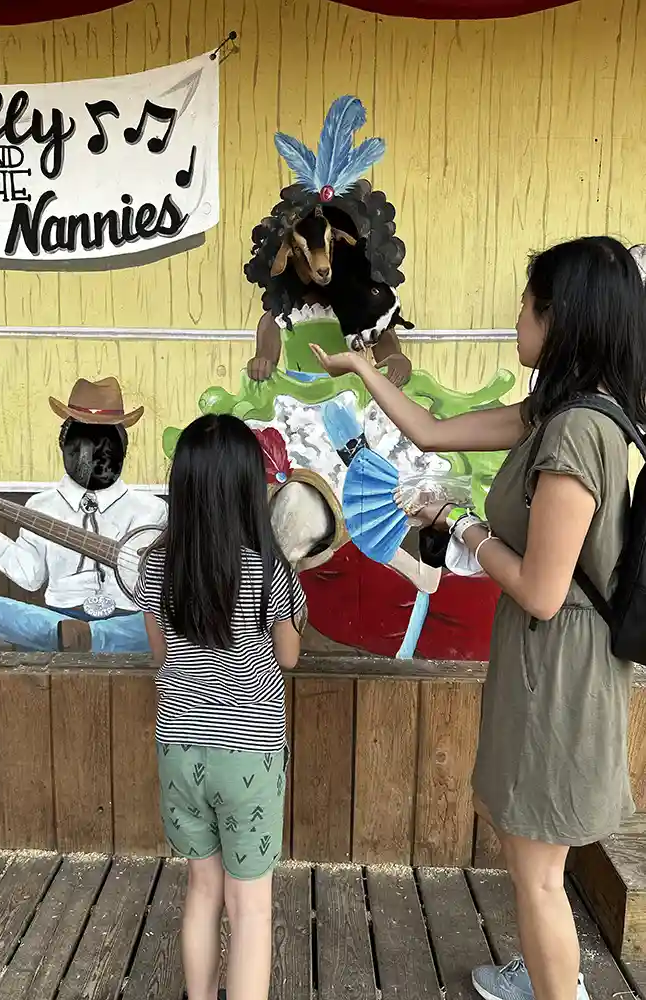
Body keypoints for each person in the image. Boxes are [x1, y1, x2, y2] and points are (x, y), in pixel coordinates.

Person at [311, 235, 646, 1000]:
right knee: (536, 857)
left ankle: (556, 987)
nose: (514, 323)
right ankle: (539, 969)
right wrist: (364, 367)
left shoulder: (573, 434)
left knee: (537, 874)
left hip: (559, 669)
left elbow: (542, 589)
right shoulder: (557, 412)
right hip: (545, 660)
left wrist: (463, 525)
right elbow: (430, 432)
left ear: (560, 319)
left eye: (524, 309)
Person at [134, 413, 306, 1000]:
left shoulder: (156, 566)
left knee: (202, 890)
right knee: (251, 906)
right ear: (247, 487)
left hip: (179, 749)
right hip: (250, 756)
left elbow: (162, 654)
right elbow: (287, 657)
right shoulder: (267, 569)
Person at [0, 377, 167, 652]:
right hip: (60, 618)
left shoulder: (152, 509)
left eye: (106, 446)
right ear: (64, 444)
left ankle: (93, 637)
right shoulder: (41, 506)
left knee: (165, 623)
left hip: (127, 619)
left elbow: (162, 586)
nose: (97, 457)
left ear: (124, 449)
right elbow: (32, 577)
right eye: (85, 445)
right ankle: (78, 636)